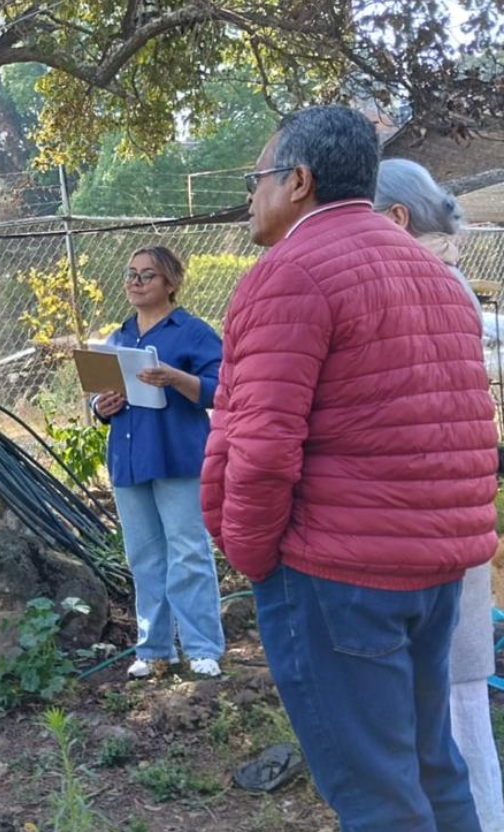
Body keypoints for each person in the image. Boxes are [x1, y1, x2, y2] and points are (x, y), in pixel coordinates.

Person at [202, 106, 497, 832]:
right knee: (432, 768)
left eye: (258, 178)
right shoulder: (429, 275)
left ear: (298, 182)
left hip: (337, 576)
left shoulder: (292, 273)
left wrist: (249, 553)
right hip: (433, 571)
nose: (251, 195)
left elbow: (262, 447)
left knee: (376, 796)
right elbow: (466, 428)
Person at [373, 157, 504, 832]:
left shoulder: (429, 289)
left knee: (456, 718)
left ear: (395, 218)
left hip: (436, 536)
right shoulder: (444, 284)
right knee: (449, 715)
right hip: (445, 531)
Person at [91, 246, 224, 679]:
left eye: (147, 275)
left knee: (188, 552)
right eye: (130, 274)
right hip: (129, 460)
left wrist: (175, 378)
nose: (136, 282)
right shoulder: (119, 338)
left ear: (170, 282)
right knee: (144, 556)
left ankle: (203, 648)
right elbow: (97, 397)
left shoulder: (193, 333)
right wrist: (101, 406)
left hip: (177, 456)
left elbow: (222, 389)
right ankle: (154, 650)